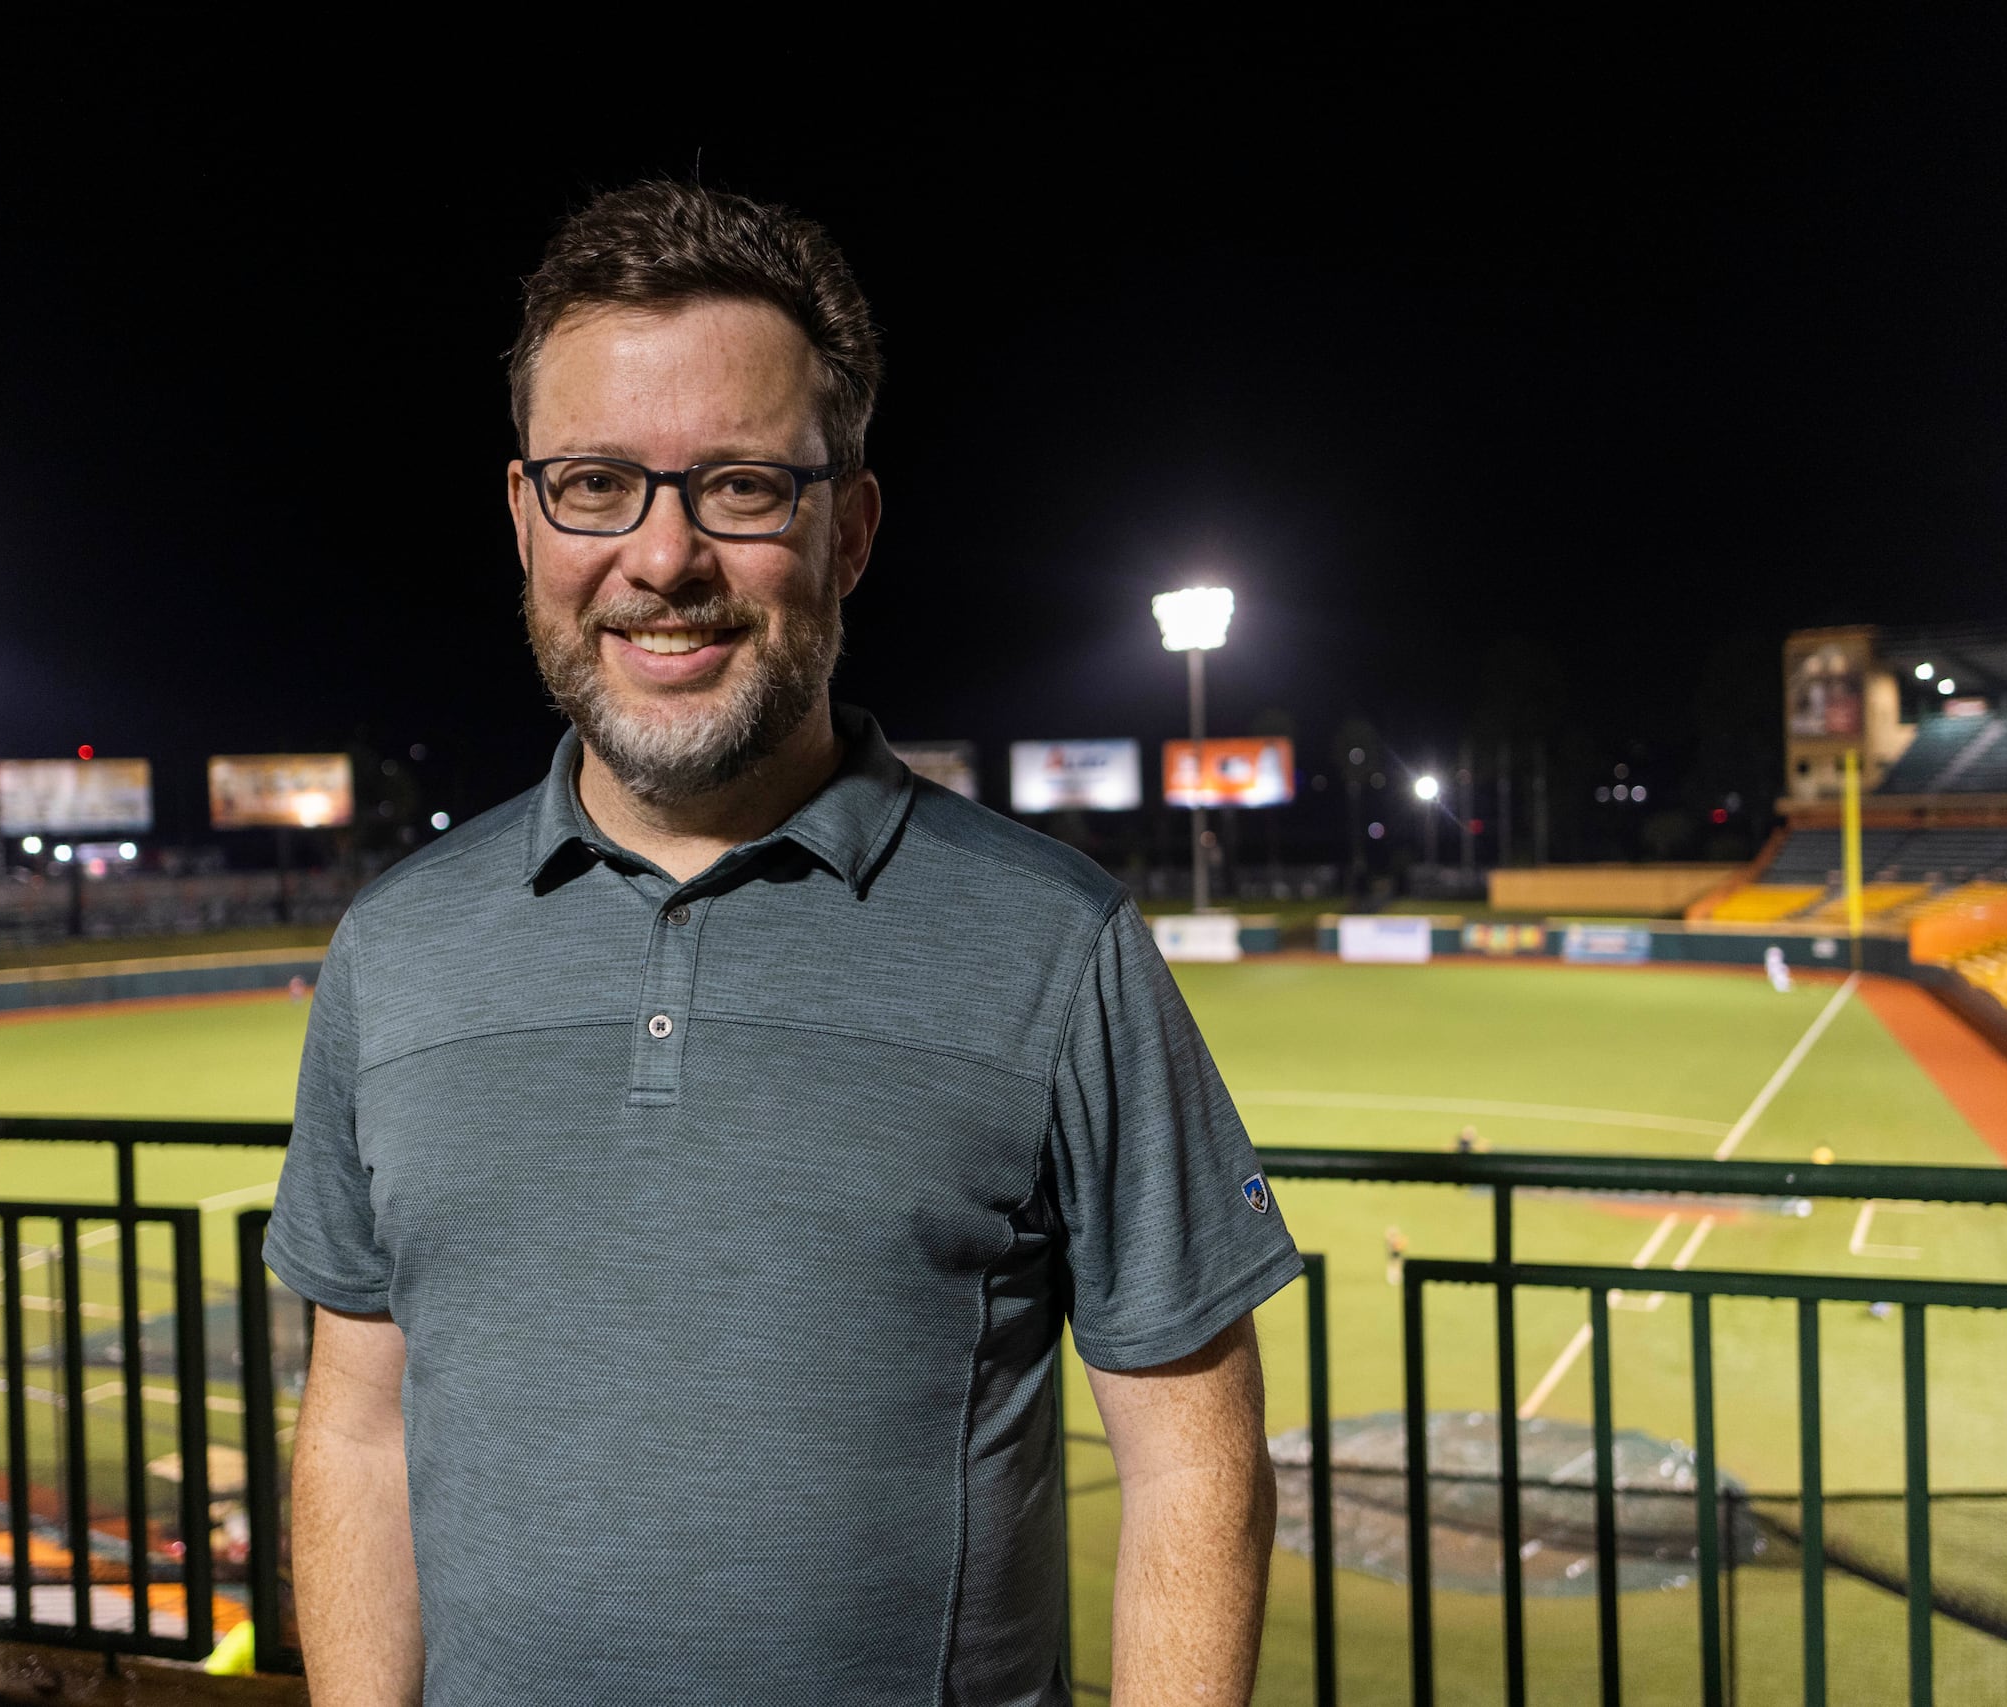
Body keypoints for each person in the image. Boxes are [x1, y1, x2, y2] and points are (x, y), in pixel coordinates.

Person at [266, 183, 1299, 1707]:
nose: (663, 558)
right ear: (524, 518)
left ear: (851, 529)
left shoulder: (1057, 945)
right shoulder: (393, 948)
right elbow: (358, 1431)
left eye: (742, 486)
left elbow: (1193, 1464)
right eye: (597, 484)